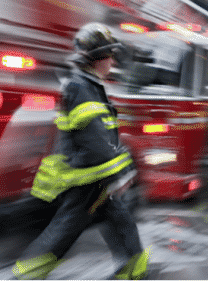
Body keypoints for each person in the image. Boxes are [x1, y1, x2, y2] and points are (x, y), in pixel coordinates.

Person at [2, 22, 150, 280]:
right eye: (110, 55)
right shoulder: (80, 88)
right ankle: (25, 275)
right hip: (89, 177)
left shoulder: (89, 86)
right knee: (66, 228)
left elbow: (104, 137)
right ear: (97, 58)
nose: (113, 60)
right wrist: (119, 176)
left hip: (96, 176)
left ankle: (133, 268)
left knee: (118, 218)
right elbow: (96, 141)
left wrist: (121, 173)